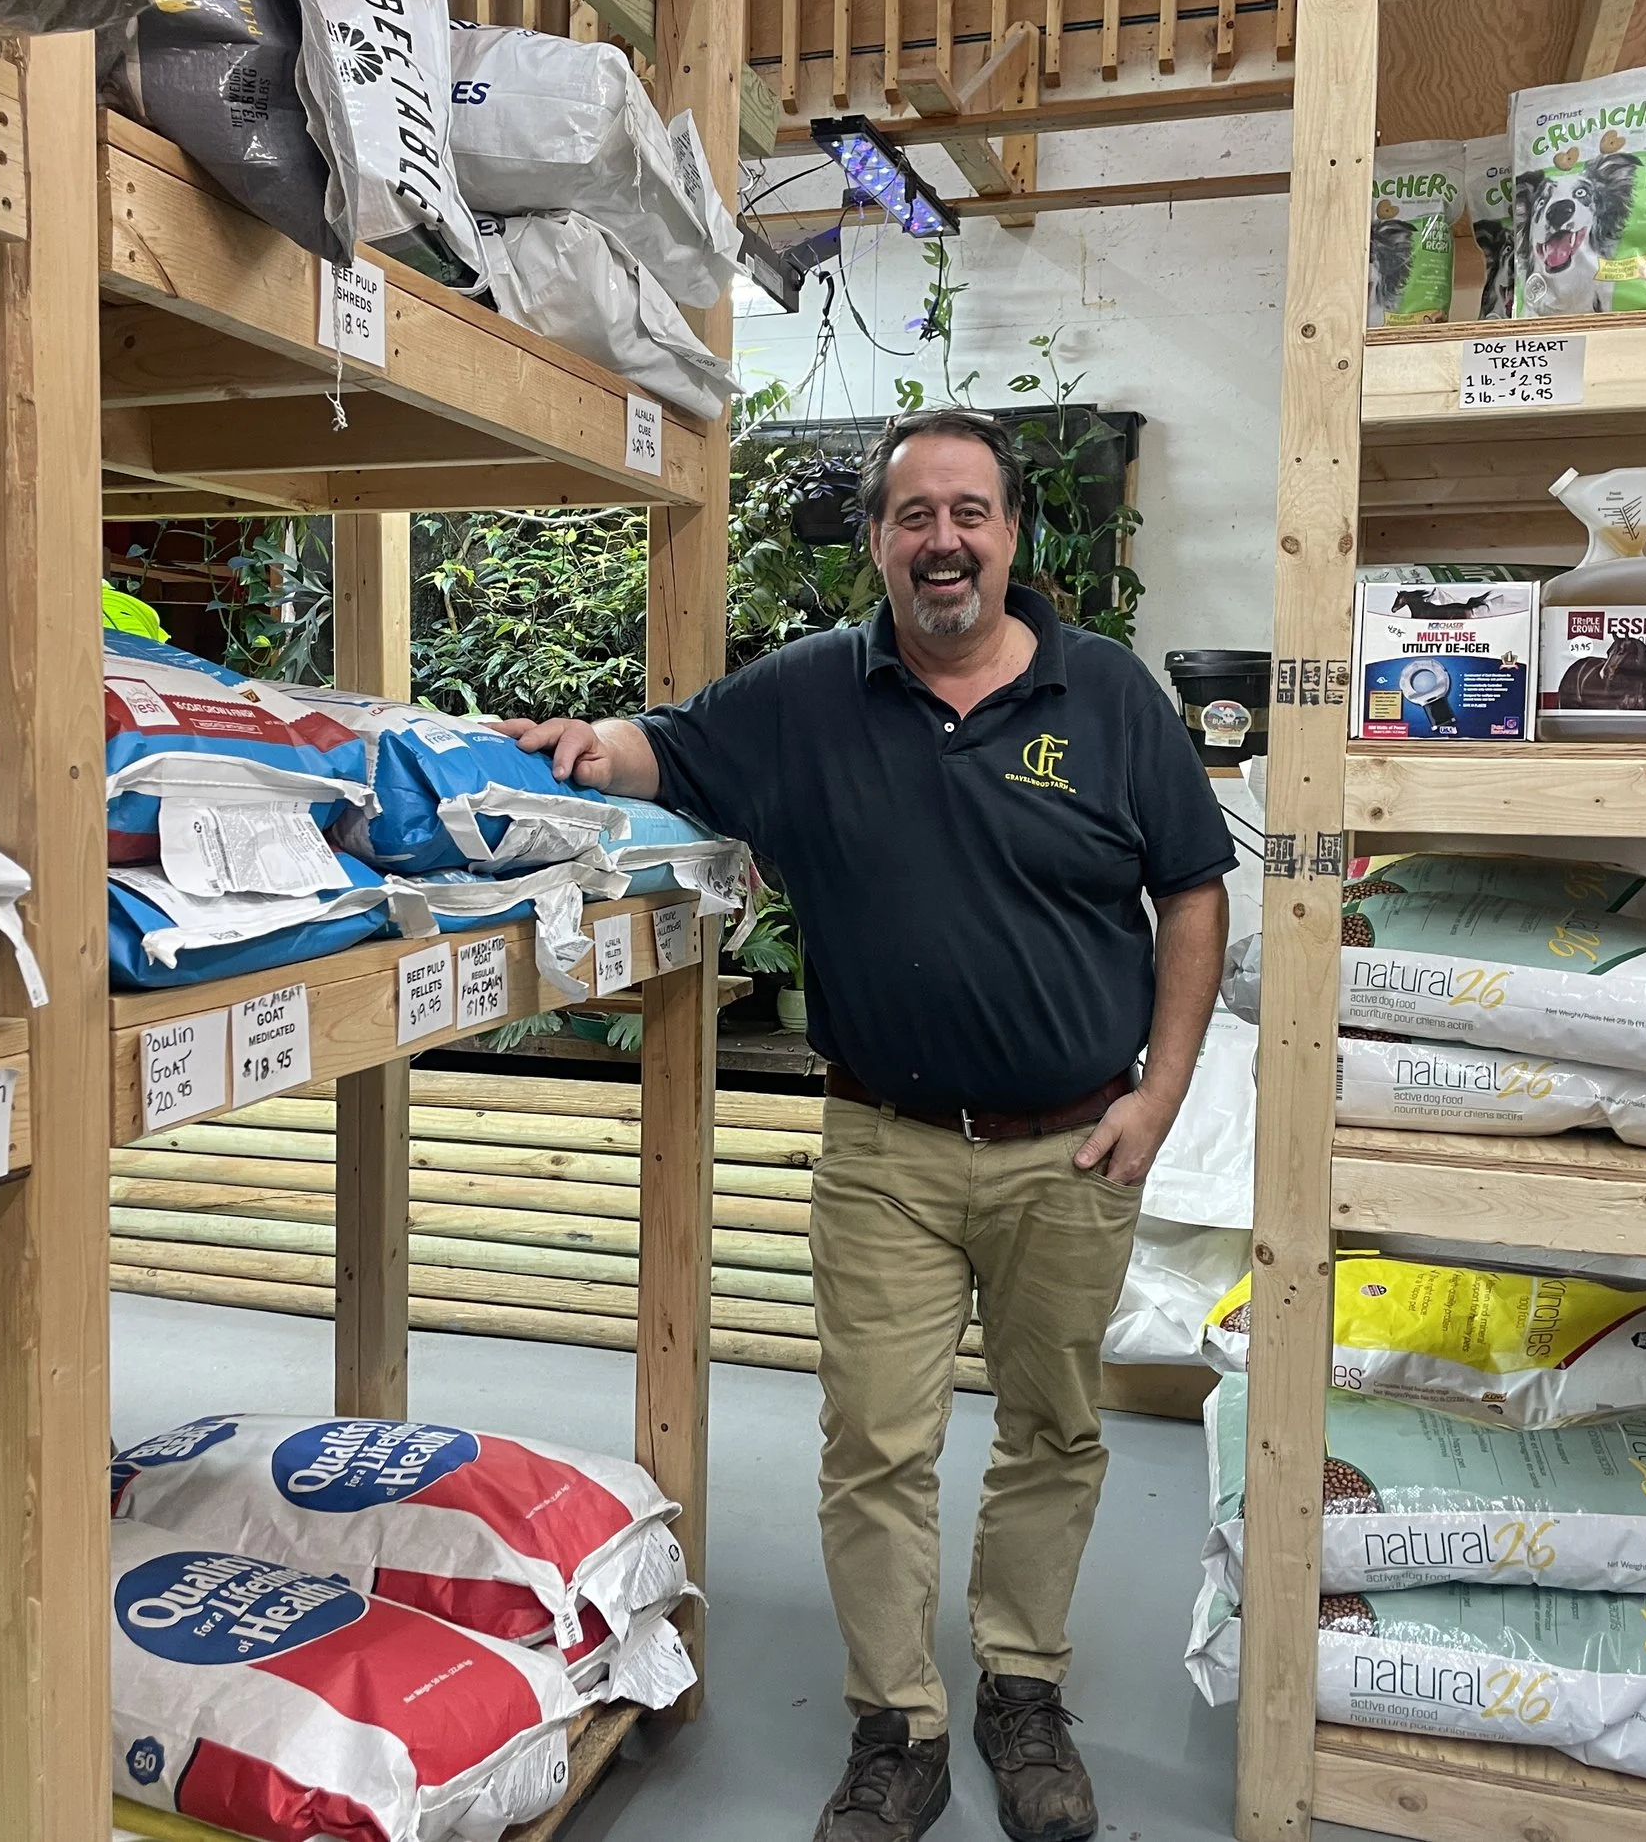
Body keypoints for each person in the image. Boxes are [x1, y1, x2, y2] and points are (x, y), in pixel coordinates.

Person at [499, 407, 1234, 1842]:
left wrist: (1162, 1092)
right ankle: (895, 1720)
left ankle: (1023, 1687)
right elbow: (670, 751)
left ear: (1011, 536)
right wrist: (590, 745)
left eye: (969, 512)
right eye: (914, 516)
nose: (943, 539)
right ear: (880, 544)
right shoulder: (809, 695)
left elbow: (1194, 887)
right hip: (885, 1148)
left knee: (1053, 1429)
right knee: (876, 1446)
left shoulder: (1111, 698)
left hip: (1073, 1145)